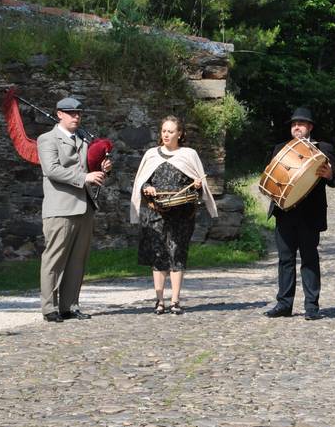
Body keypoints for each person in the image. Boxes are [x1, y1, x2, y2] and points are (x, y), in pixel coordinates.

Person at [130, 116, 217, 315]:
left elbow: (198, 188)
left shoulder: (189, 154)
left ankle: (175, 301)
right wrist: (147, 187)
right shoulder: (151, 154)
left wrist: (196, 185)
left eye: (171, 131)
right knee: (158, 256)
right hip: (155, 211)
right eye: (163, 131)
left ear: (180, 133)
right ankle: (159, 301)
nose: (166, 134)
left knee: (177, 254)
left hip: (181, 214)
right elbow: (141, 182)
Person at [37, 97, 112, 323]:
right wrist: (84, 176)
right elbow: (52, 170)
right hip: (60, 207)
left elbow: (90, 169)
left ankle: (69, 306)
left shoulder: (83, 139)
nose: (76, 117)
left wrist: (102, 169)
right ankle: (49, 308)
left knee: (77, 260)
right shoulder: (47, 139)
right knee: (54, 259)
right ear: (59, 114)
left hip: (84, 206)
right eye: (71, 113)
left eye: (79, 113)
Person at [264, 107, 335, 321]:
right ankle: (284, 304)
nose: (296, 127)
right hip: (284, 212)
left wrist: (330, 174)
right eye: (293, 124)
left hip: (310, 214)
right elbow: (270, 179)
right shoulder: (280, 149)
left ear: (310, 127)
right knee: (285, 259)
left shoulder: (323, 149)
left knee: (309, 259)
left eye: (301, 123)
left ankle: (312, 306)